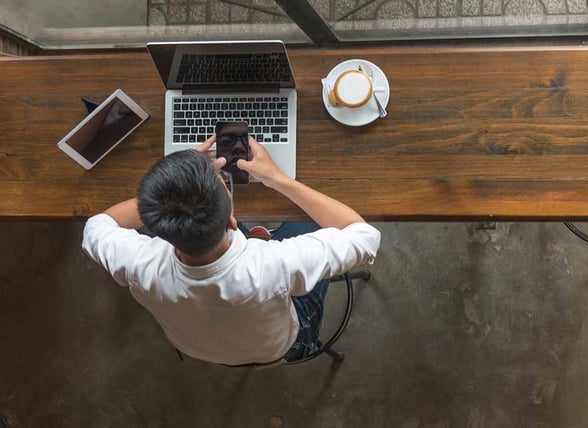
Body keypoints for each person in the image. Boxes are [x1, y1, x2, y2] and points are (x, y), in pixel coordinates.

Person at [82, 135, 381, 365]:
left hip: (197, 347)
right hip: (284, 343)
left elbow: (96, 227)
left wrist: (167, 190)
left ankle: (260, 233)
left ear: (153, 226)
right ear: (231, 220)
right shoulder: (276, 265)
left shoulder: (138, 263)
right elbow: (365, 237)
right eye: (223, 181)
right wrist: (278, 179)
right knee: (312, 225)